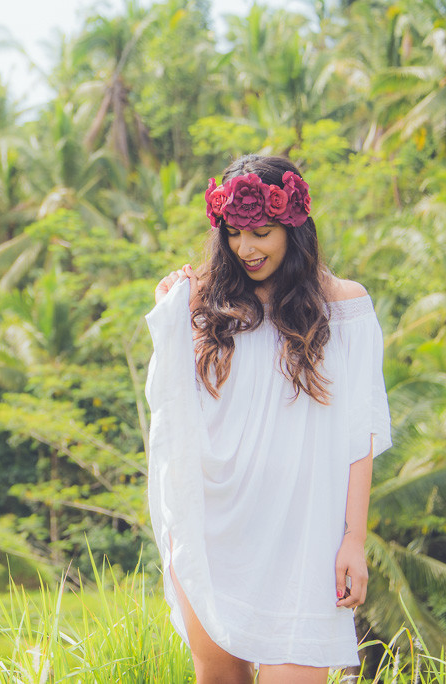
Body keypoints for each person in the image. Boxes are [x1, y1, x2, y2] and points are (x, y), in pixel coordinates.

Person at [145, 154, 392, 684]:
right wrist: (170, 312)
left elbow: (359, 434)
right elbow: (175, 414)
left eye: (262, 232)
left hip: (304, 533)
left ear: (294, 226)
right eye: (234, 233)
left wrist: (353, 540)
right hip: (217, 528)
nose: (247, 249)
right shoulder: (204, 306)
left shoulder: (346, 308)